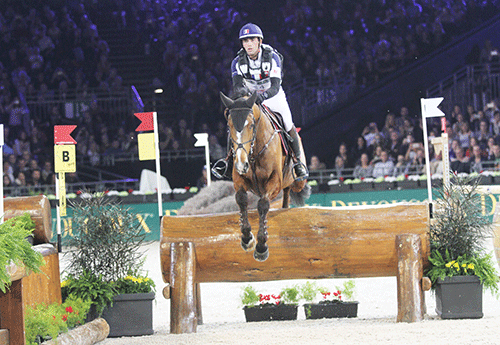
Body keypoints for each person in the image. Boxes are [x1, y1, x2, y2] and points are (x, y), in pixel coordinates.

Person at [212, 23, 308, 181]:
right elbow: (237, 87)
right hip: (251, 99)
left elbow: (275, 86)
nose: (248, 44)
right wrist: (247, 98)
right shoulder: (237, 62)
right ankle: (228, 161)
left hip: (272, 96)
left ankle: (297, 163)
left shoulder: (273, 57)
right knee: (236, 124)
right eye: (245, 41)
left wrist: (260, 98)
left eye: (251, 40)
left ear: (259, 41)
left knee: (288, 123)